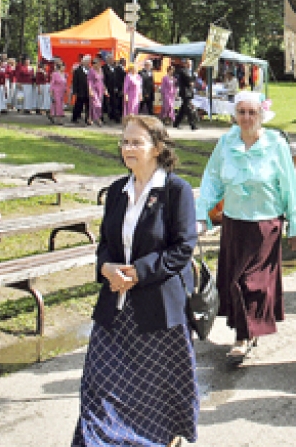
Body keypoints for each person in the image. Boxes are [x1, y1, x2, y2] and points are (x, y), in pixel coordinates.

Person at [73, 116, 199, 446]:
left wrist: (139, 273)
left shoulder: (176, 191)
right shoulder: (117, 191)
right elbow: (105, 243)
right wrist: (106, 269)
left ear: (157, 148)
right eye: (125, 142)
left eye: (136, 143)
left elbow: (183, 248)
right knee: (99, 390)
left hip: (158, 311)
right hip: (114, 308)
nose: (128, 148)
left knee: (156, 396)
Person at [195, 92, 296, 366]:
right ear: (235, 114)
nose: (246, 118)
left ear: (262, 115)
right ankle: (245, 332)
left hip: (266, 224)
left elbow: (289, 185)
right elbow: (212, 180)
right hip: (234, 223)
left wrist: (295, 221)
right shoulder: (226, 143)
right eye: (242, 112)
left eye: (252, 112)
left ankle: (243, 338)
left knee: (251, 282)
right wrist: (201, 215)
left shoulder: (276, 144)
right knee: (234, 280)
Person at [173, 61, 199, 131]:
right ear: (185, 64)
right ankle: (192, 125)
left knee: (182, 110)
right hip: (185, 92)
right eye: (188, 64)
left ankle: (176, 123)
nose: (189, 65)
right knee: (188, 109)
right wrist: (195, 76)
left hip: (188, 92)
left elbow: (191, 82)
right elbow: (190, 82)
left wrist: (193, 77)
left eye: (190, 64)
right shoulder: (183, 71)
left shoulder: (189, 72)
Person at [71, 56, 90, 124]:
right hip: (80, 91)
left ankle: (87, 119)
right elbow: (75, 82)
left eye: (89, 62)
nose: (88, 63)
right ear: (83, 62)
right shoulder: (77, 70)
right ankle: (74, 118)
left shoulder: (90, 70)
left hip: (88, 91)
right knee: (78, 105)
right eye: (87, 62)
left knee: (88, 106)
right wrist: (75, 91)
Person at [88, 57, 106, 126]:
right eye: (97, 63)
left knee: (97, 105)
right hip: (94, 89)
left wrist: (105, 89)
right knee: (96, 104)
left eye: (99, 63)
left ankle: (90, 119)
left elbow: (102, 80)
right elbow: (89, 81)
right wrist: (90, 90)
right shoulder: (91, 71)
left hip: (100, 90)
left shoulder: (101, 70)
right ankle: (98, 119)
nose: (99, 65)